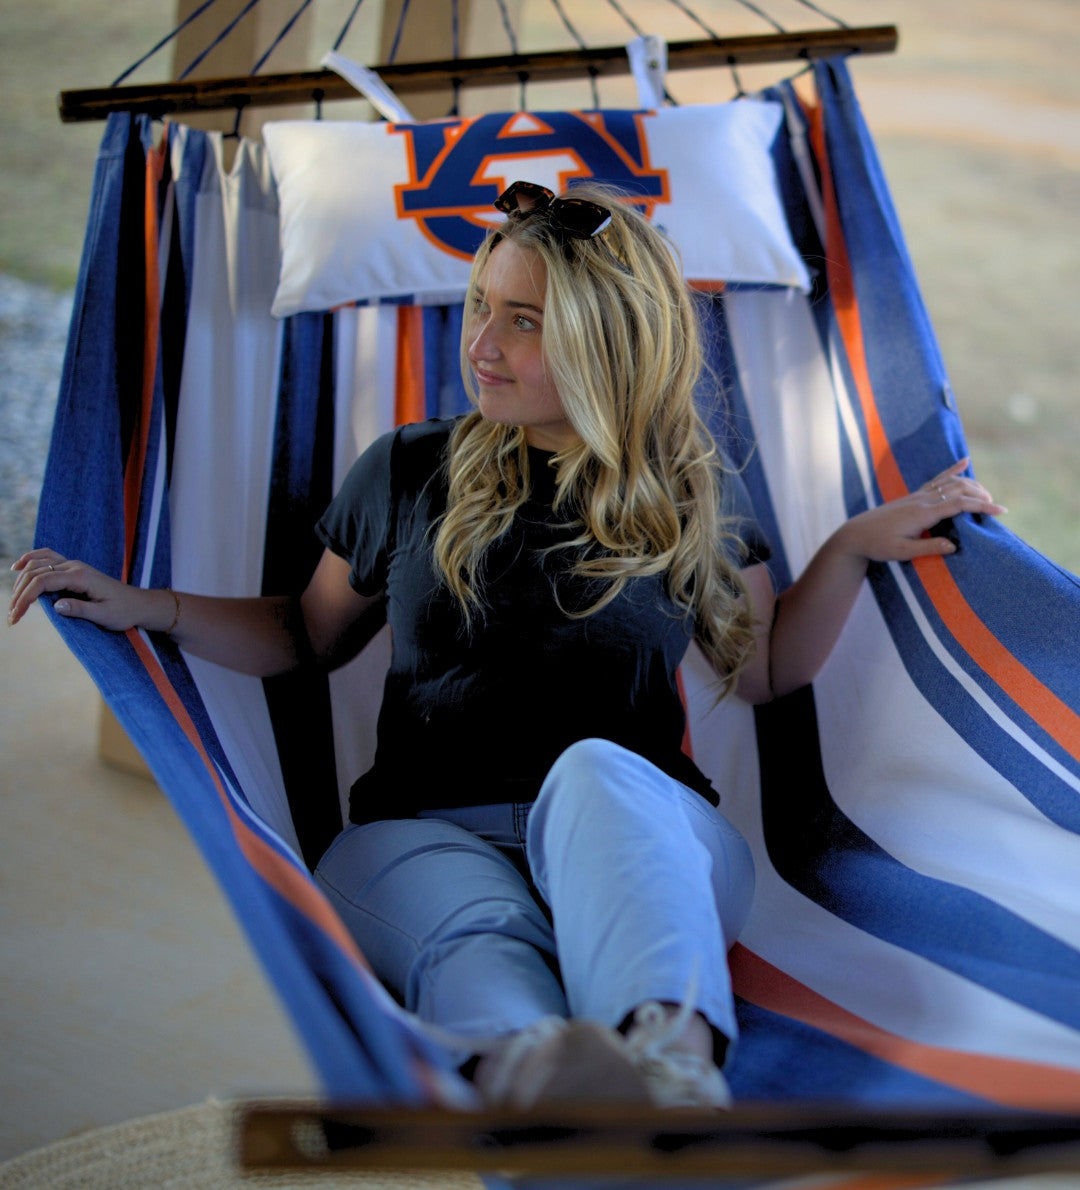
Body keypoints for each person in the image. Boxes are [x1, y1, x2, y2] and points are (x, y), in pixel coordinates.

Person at [8, 179, 1005, 1111]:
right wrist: (147, 605)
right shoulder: (410, 469)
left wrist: (849, 546)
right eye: (481, 305)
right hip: (420, 834)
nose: (481, 344)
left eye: (524, 320)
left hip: (639, 838)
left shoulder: (688, 496)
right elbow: (305, 636)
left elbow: (766, 669)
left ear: (607, 343)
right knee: (476, 940)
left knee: (596, 775)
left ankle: (671, 1073)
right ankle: (537, 1080)